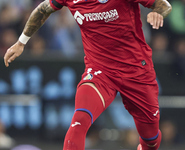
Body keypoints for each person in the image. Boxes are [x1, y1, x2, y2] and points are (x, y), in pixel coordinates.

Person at [3, 0, 172, 149]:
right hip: (100, 71)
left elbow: (164, 4)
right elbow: (43, 9)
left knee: (150, 139)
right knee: (80, 120)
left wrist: (157, 12)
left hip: (136, 71)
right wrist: (21, 42)